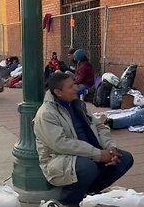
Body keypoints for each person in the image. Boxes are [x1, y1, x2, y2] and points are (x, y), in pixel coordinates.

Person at [33, 72, 133, 206]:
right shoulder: (46, 113)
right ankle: (68, 201)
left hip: (90, 153)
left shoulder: (78, 105)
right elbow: (61, 144)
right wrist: (98, 154)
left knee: (124, 158)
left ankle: (88, 192)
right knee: (88, 168)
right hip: (59, 159)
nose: (75, 88)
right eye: (70, 86)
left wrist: (110, 147)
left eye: (74, 84)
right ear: (58, 92)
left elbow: (99, 127)